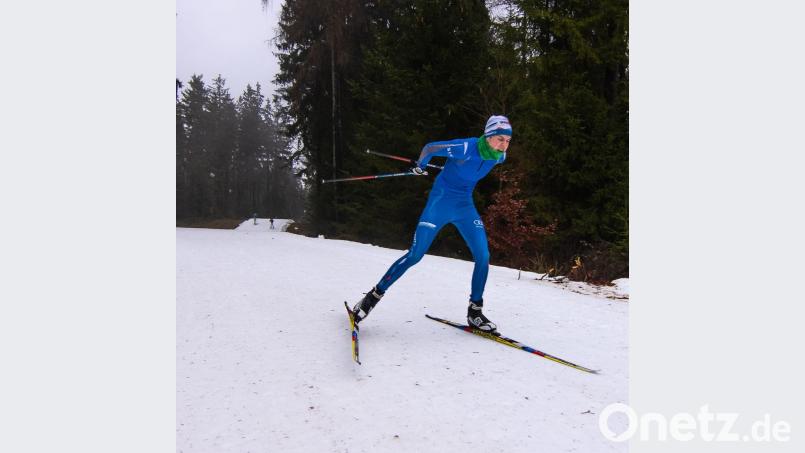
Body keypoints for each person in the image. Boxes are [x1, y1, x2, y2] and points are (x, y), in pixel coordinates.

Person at [352, 115, 512, 332]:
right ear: (489, 135)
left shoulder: (499, 156)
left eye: (508, 141)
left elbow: (467, 170)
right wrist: (420, 165)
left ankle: (475, 312)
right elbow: (430, 148)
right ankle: (370, 299)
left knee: (483, 256)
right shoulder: (466, 147)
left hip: (464, 206)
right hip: (440, 203)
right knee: (415, 255)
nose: (504, 145)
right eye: (500, 139)